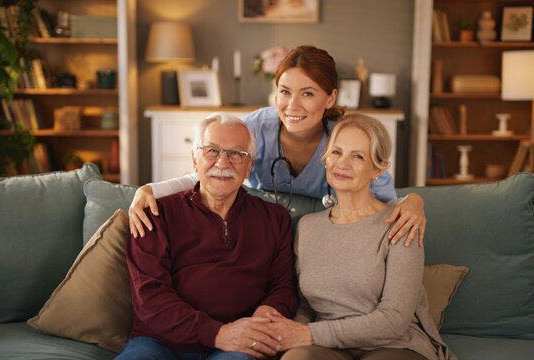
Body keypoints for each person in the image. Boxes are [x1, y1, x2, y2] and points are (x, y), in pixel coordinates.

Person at [129, 45, 426, 247]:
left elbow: (384, 199)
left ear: (331, 98)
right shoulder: (255, 128)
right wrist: (150, 190)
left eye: (308, 94)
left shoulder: (345, 140)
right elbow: (212, 172)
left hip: (319, 239)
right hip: (260, 236)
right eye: (285, 92)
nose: (292, 106)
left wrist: (413, 200)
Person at [263, 113, 456, 360]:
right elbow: (304, 305)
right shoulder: (307, 227)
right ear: (325, 157)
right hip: (326, 346)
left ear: (378, 169)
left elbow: (394, 319)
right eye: (336, 152)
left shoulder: (401, 222)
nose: (342, 163)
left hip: (394, 345)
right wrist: (292, 334)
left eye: (358, 156)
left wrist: (309, 334)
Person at [116, 114, 297, 360]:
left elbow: (284, 288)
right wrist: (216, 333)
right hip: (159, 341)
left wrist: (262, 319)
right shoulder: (154, 215)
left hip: (236, 345)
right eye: (212, 150)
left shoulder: (275, 219)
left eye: (236, 154)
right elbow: (150, 299)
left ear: (249, 166)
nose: (223, 162)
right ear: (194, 159)